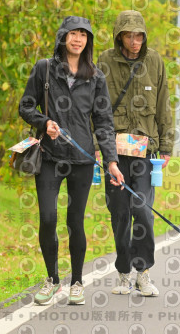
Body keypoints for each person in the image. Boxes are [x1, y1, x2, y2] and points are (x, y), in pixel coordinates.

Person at [19, 16, 124, 305]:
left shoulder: (96, 77)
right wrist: (44, 122)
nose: (78, 39)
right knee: (47, 218)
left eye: (83, 35)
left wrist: (112, 162)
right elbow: (25, 106)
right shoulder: (44, 68)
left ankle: (77, 282)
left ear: (88, 41)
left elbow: (104, 122)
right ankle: (52, 280)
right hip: (49, 157)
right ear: (63, 36)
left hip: (82, 159)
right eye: (73, 33)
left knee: (75, 221)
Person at [98, 10, 173, 297]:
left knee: (142, 209)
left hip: (145, 151)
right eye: (129, 35)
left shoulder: (154, 61)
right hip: (113, 152)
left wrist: (166, 146)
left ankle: (143, 272)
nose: (135, 41)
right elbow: (95, 106)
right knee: (119, 212)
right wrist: (96, 145)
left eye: (139, 35)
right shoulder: (104, 61)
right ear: (119, 37)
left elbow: (164, 103)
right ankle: (123, 272)